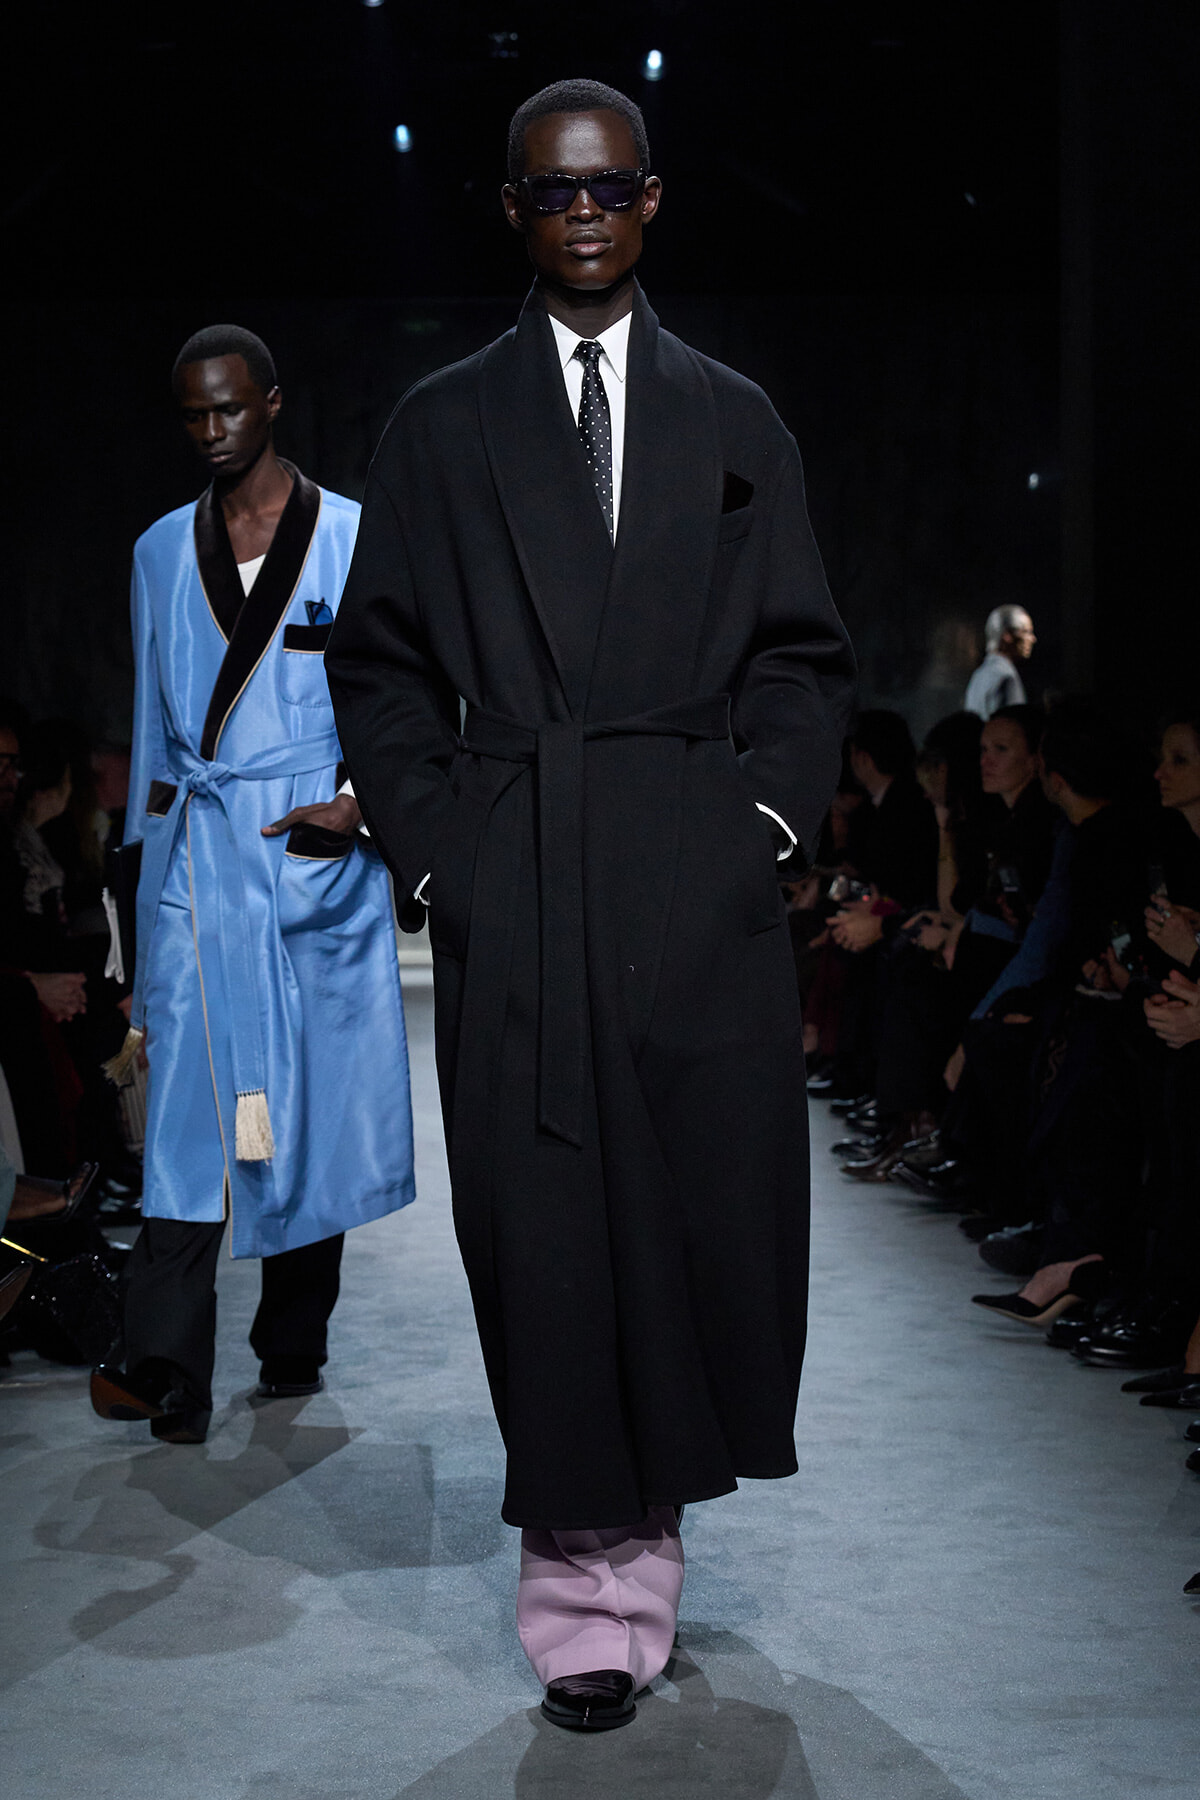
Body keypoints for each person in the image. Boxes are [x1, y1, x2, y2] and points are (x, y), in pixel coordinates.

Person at [325, 79, 855, 1730]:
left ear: (650, 200)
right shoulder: (441, 425)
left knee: (694, 1230)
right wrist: (445, 857)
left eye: (609, 186)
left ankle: (652, 1549)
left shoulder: (735, 417)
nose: (582, 212)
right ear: (510, 208)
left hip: (693, 886)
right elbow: (381, 666)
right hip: (524, 876)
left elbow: (802, 653)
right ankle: (579, 1593)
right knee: (545, 1241)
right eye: (553, 190)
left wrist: (755, 824)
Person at [91, 324, 415, 1446]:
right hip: (200, 860)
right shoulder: (157, 551)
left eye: (229, 408)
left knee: (304, 1105)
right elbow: (152, 727)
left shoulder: (355, 538)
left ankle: (292, 1336)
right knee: (186, 1112)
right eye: (193, 414)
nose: (212, 430)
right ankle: (165, 1364)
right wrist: (141, 906)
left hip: (305, 862)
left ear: (273, 402)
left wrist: (358, 805)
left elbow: (407, 696)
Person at [964, 605, 1036, 717]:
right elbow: (1013, 724)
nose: (1032, 639)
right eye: (1026, 632)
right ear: (1007, 636)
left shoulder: (978, 675)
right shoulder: (1006, 676)